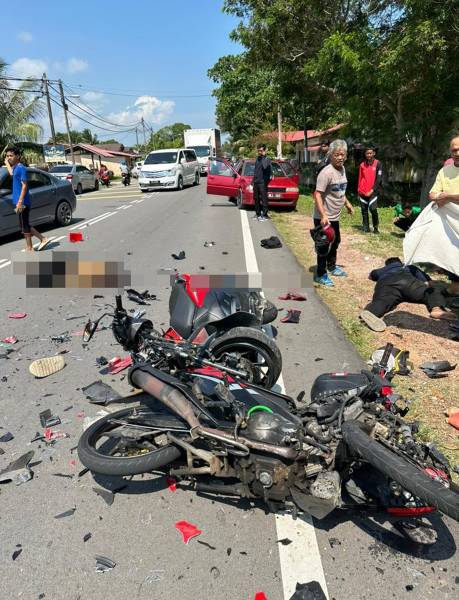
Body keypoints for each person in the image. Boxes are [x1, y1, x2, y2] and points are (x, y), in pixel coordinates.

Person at [404, 135, 459, 295]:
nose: (457, 152)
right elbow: (433, 193)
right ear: (450, 151)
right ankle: (455, 287)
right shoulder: (445, 171)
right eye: (454, 149)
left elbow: (444, 195)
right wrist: (439, 197)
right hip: (449, 222)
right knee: (451, 250)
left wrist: (447, 196)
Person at [359, 258, 457, 332]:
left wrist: (377, 274)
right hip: (408, 283)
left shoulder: (383, 270)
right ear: (400, 262)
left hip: (387, 283)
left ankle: (371, 312)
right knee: (430, 291)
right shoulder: (409, 267)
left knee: (382, 302)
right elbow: (429, 282)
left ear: (387, 264)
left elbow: (372, 275)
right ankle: (437, 309)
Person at [313, 139, 354, 286]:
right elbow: (317, 194)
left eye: (343, 154)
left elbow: (340, 190)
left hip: (335, 216)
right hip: (323, 217)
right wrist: (323, 215)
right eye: (337, 154)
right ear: (331, 155)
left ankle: (331, 266)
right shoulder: (326, 173)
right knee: (323, 245)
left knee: (335, 241)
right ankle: (320, 274)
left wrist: (348, 204)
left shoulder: (342, 170)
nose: (340, 157)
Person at [4, 146, 49, 252]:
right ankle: (42, 239)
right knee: (23, 224)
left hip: (23, 201)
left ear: (18, 156)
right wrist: (6, 163)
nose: (9, 157)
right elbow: (11, 173)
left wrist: (20, 201)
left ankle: (30, 247)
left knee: (24, 225)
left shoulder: (21, 168)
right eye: (7, 156)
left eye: (11, 156)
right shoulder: (15, 168)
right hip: (19, 201)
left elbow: (24, 186)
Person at [357, 145, 383, 233]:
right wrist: (359, 190)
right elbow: (360, 178)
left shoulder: (378, 163)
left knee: (373, 209)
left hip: (373, 192)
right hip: (363, 192)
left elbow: (379, 179)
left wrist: (372, 190)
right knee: (364, 210)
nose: (369, 155)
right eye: (367, 153)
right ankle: (366, 227)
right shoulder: (362, 165)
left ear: (374, 153)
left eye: (370, 153)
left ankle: (376, 228)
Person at [252, 144, 272, 221]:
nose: (259, 152)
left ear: (264, 150)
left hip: (262, 182)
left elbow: (264, 166)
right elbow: (256, 171)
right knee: (256, 198)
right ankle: (258, 214)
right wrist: (252, 182)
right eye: (258, 151)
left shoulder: (267, 159)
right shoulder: (258, 158)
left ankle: (265, 214)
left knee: (264, 199)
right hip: (256, 182)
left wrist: (264, 156)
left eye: (261, 150)